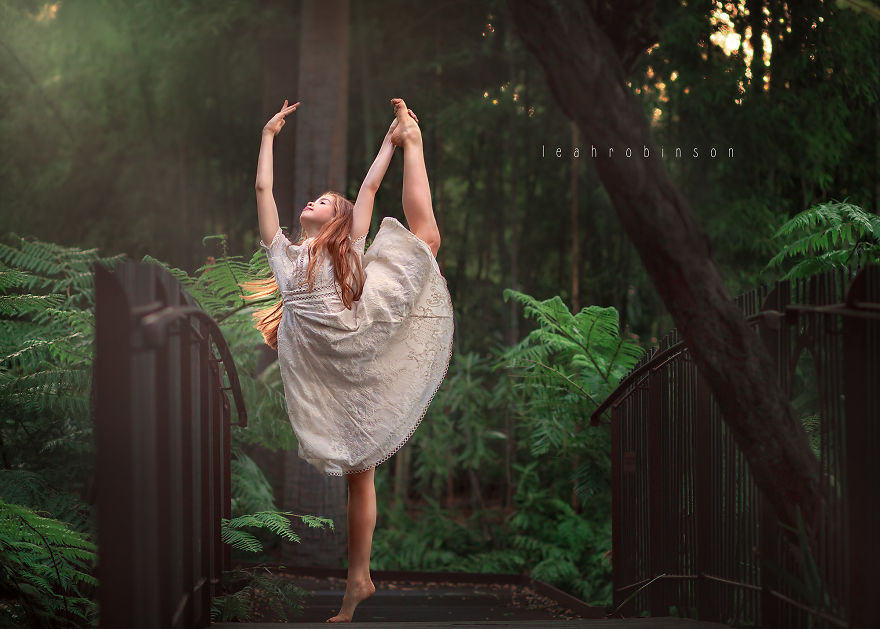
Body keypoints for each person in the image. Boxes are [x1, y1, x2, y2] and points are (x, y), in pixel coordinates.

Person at [240, 97, 454, 622]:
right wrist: (268, 135)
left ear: (337, 220)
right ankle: (358, 578)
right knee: (360, 474)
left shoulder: (347, 248)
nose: (311, 202)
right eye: (313, 198)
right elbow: (263, 189)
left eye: (323, 201)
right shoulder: (284, 255)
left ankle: (416, 143)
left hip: (362, 341)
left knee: (426, 240)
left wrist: (393, 143)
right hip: (336, 370)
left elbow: (369, 190)